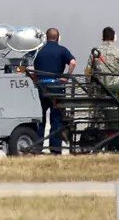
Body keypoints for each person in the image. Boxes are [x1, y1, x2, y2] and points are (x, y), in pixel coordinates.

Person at [32, 27, 76, 155]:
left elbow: (27, 65)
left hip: (41, 88)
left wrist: (35, 78)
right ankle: (55, 149)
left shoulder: (38, 50)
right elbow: (73, 62)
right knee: (56, 119)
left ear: (46, 37)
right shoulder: (62, 50)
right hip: (57, 88)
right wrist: (66, 76)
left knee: (40, 118)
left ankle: (37, 147)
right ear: (57, 37)